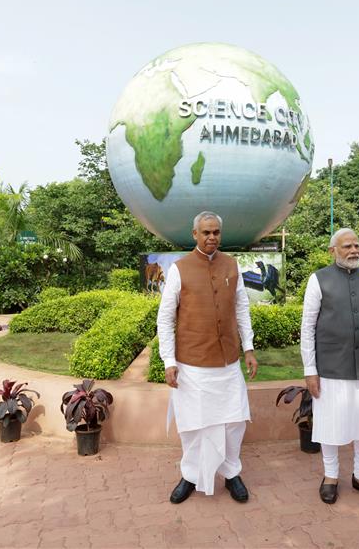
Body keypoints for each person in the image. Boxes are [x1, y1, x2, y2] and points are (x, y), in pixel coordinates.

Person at [157, 211, 258, 504]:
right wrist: (169, 361)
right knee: (193, 424)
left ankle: (231, 473)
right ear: (195, 235)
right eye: (206, 232)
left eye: (216, 232)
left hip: (228, 362)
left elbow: (241, 309)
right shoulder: (179, 269)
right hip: (192, 364)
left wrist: (248, 348)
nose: (211, 237)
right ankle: (190, 475)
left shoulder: (232, 266)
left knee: (233, 421)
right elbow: (165, 320)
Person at [301, 228, 359, 505]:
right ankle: (330, 476)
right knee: (329, 423)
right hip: (330, 366)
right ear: (333, 251)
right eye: (346, 246)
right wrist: (310, 369)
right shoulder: (318, 280)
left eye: (356, 245)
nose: (353, 250)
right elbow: (307, 327)